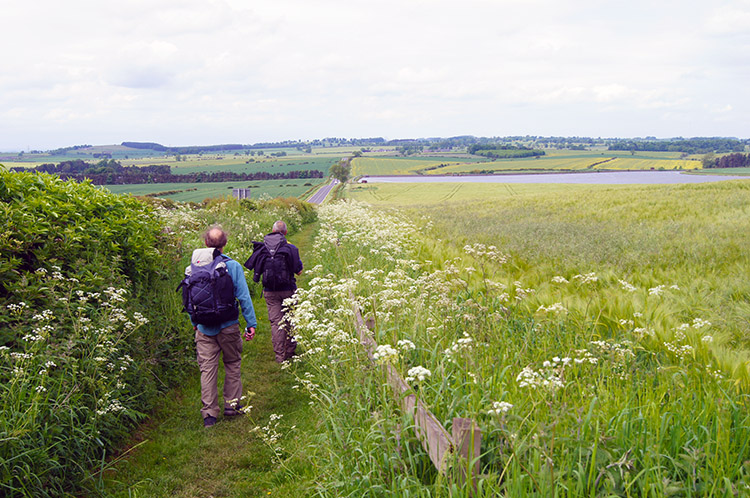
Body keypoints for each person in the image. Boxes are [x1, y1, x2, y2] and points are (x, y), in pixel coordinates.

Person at [189, 226, 257, 428]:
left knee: (207, 369)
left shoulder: (193, 267)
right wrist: (250, 324)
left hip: (204, 327)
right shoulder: (233, 266)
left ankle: (209, 414)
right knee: (232, 363)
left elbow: (190, 298)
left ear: (206, 244)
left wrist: (195, 323)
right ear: (224, 244)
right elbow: (244, 297)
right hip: (228, 325)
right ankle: (232, 406)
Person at [244, 220, 303, 363]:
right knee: (290, 320)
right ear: (286, 233)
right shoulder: (291, 248)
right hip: (288, 289)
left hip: (270, 291)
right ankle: (290, 351)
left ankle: (279, 356)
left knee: (276, 322)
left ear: (272, 230)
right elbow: (299, 271)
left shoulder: (262, 248)